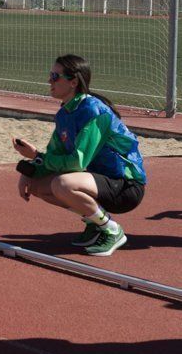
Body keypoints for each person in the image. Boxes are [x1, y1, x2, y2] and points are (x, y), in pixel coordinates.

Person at [12, 54, 146, 257]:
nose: (49, 80)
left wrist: (37, 155)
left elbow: (77, 162)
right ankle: (95, 222)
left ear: (73, 82)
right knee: (38, 186)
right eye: (50, 75)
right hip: (101, 182)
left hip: (125, 186)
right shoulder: (65, 113)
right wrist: (29, 171)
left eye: (55, 76)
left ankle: (111, 229)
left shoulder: (92, 110)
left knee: (63, 184)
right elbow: (52, 156)